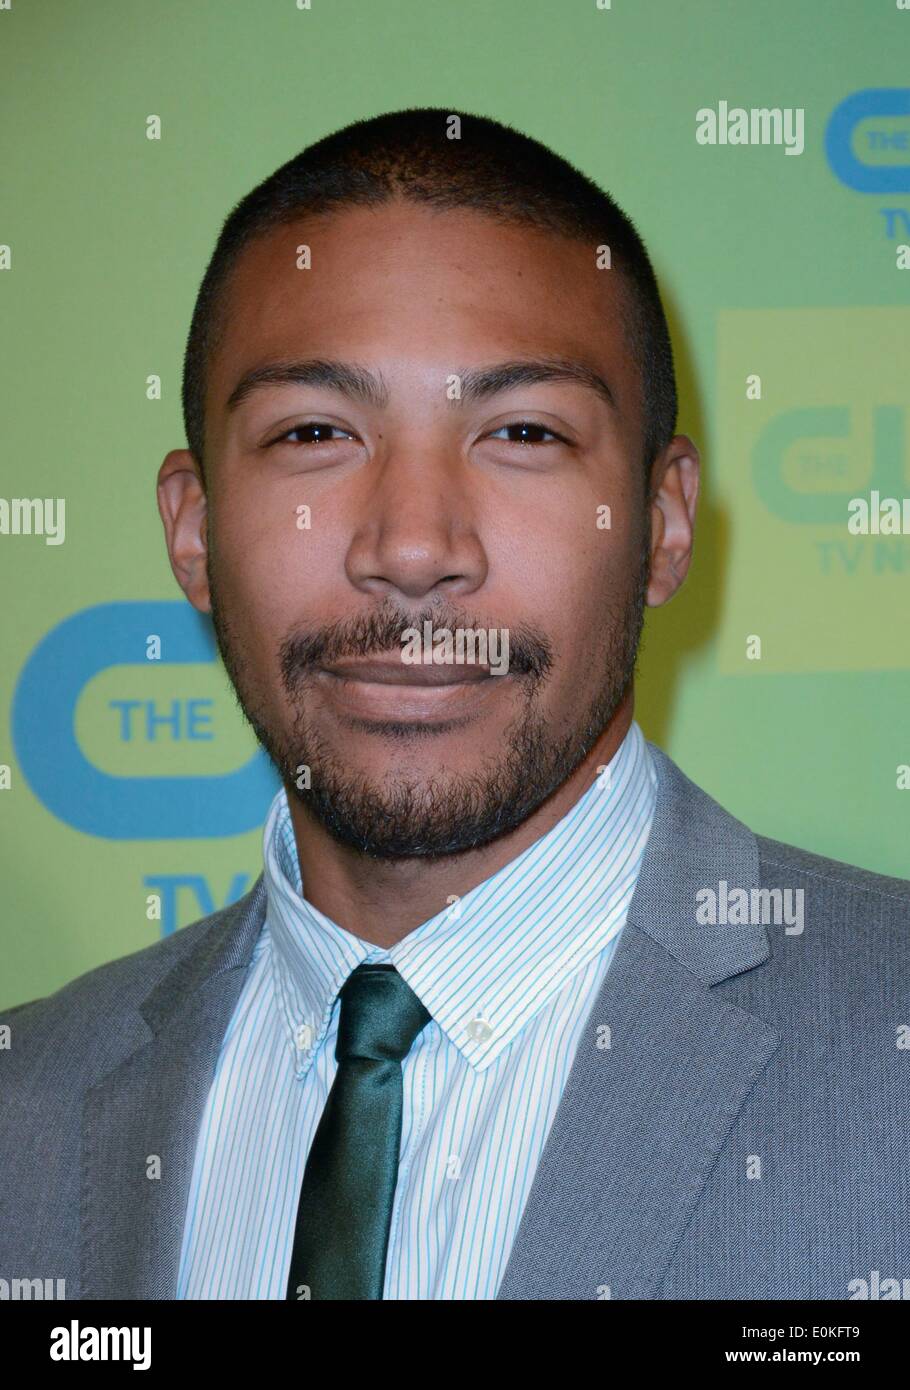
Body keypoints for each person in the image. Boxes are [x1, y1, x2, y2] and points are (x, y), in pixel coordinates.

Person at [2, 107, 908, 1301]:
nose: (414, 546)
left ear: (663, 522)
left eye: (522, 431)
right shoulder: (29, 1107)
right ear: (194, 528)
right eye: (315, 432)